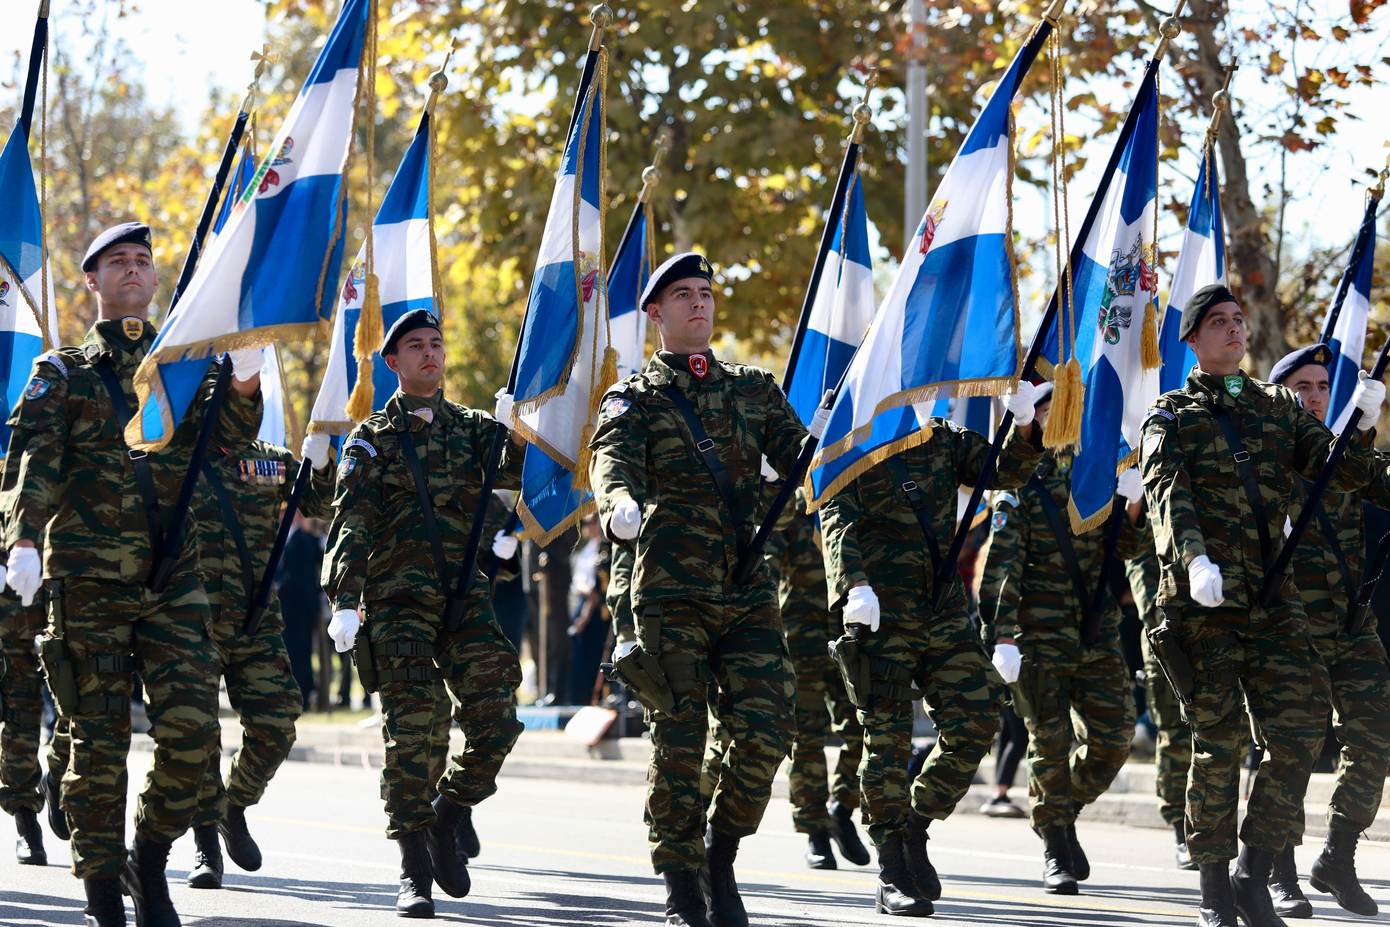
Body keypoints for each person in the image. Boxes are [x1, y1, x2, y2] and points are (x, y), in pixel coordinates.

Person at [1, 221, 264, 927]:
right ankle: (101, 894)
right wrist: (23, 537)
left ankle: (149, 857)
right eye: (117, 262)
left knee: (192, 731)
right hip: (87, 582)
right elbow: (33, 460)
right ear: (93, 280)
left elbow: (232, 439)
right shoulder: (63, 374)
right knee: (99, 743)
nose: (133, 271)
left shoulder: (180, 367)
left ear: (155, 278)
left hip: (173, 575)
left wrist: (245, 377)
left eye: (143, 261)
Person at [1138, 284, 1386, 927]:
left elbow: (1335, 473)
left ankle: (1254, 871)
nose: (1234, 330)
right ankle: (1216, 890)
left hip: (1274, 599)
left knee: (1301, 734)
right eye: (1218, 322)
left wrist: (1359, 426)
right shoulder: (1170, 415)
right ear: (1191, 339)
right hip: (1205, 601)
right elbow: (1167, 494)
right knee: (1218, 744)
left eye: (1239, 321)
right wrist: (1192, 558)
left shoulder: (1277, 406)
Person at [590, 252, 811, 927]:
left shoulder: (754, 388)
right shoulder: (636, 397)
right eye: (683, 295)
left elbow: (800, 455)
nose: (699, 305)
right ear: (655, 313)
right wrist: (618, 501)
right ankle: (682, 879)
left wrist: (816, 450)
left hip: (745, 586)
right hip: (669, 591)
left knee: (767, 730)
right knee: (680, 743)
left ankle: (722, 851)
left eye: (707, 294)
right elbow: (611, 461)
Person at [322, 308, 525, 918]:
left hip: (464, 600)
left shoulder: (475, 431)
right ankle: (413, 868)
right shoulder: (371, 440)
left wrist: (524, 429)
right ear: (393, 362)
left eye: (436, 344)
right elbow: (351, 521)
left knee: (497, 717)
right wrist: (343, 597)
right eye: (416, 346)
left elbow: (533, 477)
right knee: (412, 733)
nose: (430, 354)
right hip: (398, 606)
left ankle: (448, 814)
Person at [818, 378, 1043, 915]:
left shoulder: (942, 438)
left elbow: (1004, 472)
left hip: (940, 611)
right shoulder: (855, 444)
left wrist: (1026, 423)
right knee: (888, 742)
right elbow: (835, 516)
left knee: (978, 714)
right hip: (879, 613)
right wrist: (853, 584)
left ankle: (914, 824)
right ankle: (892, 868)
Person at [978, 385, 1146, 894]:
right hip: (1037, 637)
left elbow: (1132, 548)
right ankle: (1054, 843)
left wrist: (1133, 502)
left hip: (1095, 635)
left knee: (1115, 736)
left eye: (1071, 413)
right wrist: (1001, 635)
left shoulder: (1098, 478)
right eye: (1054, 412)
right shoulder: (1019, 482)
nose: (1066, 422)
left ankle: (1060, 808)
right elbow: (1000, 564)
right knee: (1048, 742)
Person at [1261, 345, 1390, 919]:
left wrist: (1365, 427)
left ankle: (1337, 856)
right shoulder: (1259, 456)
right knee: (1291, 750)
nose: (1315, 395)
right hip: (1287, 629)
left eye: (1321, 386)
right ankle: (1279, 869)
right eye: (1303, 386)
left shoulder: (1345, 455)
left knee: (1375, 739)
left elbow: (1381, 485)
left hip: (1351, 625)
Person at [181, 428, 336, 889]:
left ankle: (233, 805)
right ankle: (205, 842)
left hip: (255, 619)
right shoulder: (175, 453)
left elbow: (321, 505)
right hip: (192, 618)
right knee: (198, 732)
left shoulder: (271, 460)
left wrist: (322, 465)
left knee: (278, 723)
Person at [766, 485, 869, 870]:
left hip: (851, 635)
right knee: (806, 736)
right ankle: (815, 831)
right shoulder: (792, 510)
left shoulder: (855, 503)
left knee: (863, 729)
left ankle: (842, 809)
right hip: (801, 638)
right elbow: (767, 568)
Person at [1125, 545, 1196, 869]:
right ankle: (1181, 833)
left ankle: (1207, 826)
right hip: (1165, 642)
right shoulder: (1148, 529)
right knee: (1175, 739)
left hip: (1214, 635)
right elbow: (1146, 594)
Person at [0, 588, 50, 863]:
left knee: (75, 720)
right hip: (10, 621)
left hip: (71, 615)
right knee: (22, 721)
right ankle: (27, 822)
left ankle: (58, 782)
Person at [275, 510, 326, 710]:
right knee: (295, 653)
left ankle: (302, 697)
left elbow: (294, 576)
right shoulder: (292, 537)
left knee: (299, 654)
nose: (281, 516)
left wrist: (273, 590)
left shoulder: (300, 540)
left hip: (298, 607)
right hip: (294, 607)